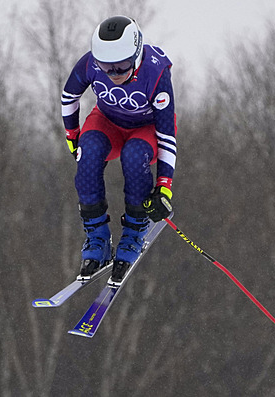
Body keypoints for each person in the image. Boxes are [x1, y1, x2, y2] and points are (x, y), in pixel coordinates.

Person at [61, 15, 177, 285]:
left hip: (144, 129)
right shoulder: (90, 63)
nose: (114, 74)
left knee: (134, 156)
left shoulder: (156, 72)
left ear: (136, 55)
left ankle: (134, 235)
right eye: (106, 68)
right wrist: (72, 135)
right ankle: (98, 239)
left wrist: (164, 186)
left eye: (122, 67)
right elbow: (69, 96)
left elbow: (167, 134)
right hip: (108, 123)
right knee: (87, 154)